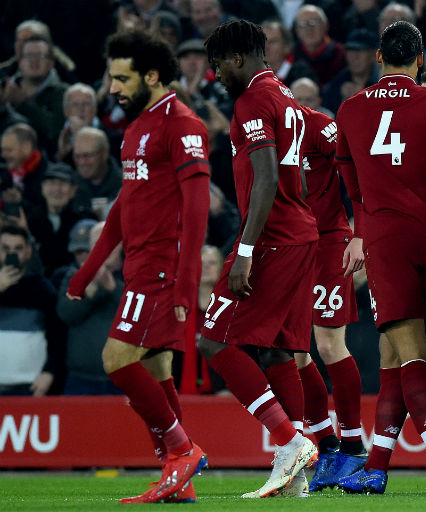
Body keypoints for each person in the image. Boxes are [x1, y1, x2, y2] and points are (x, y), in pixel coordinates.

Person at [333, 21, 426, 495]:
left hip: (388, 239)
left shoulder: (351, 108)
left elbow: (349, 180)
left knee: (409, 350)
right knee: (393, 351)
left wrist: (360, 230)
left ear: (379, 57)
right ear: (419, 60)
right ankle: (376, 467)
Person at [65, 30, 209, 504]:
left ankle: (182, 450)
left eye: (122, 79)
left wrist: (187, 283)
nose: (113, 88)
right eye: (112, 78)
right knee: (156, 366)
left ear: (151, 76)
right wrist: (87, 272)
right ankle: (177, 478)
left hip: (163, 269)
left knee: (116, 359)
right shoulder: (137, 127)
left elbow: (197, 210)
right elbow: (122, 210)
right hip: (140, 265)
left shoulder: (182, 124)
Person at [199, 20, 319, 499]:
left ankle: (290, 442)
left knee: (213, 342)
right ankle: (296, 476)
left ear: (237, 58)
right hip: (300, 234)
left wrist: (245, 251)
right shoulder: (286, 96)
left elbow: (267, 177)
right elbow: (299, 176)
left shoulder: (252, 100)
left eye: (218, 65)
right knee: (277, 352)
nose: (217, 75)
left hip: (271, 239)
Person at [293, 104, 367, 492]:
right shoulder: (263, 131)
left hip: (327, 241)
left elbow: (358, 171)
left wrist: (360, 233)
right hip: (289, 246)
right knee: (293, 354)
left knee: (327, 344)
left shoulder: (319, 126)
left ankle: (354, 446)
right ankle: (328, 446)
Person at [57, 220, 124, 395]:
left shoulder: (135, 274)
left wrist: (113, 289)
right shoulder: (75, 276)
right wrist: (91, 289)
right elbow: (66, 314)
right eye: (97, 243)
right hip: (82, 380)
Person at [0, 224, 64, 397]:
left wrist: (50, 372)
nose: (11, 254)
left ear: (28, 252)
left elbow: (57, 337)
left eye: (18, 248)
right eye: (5, 248)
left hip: (30, 385)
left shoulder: (43, 289)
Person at [2, 35, 69, 156]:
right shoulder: (5, 87)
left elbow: (54, 132)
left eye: (40, 56)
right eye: (29, 56)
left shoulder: (63, 93)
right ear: (20, 62)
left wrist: (23, 103)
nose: (34, 61)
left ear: (51, 63)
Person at [26, 162, 95, 278]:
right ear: (42, 187)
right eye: (51, 183)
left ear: (73, 190)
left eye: (62, 183)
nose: (56, 189)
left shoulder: (84, 220)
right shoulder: (29, 220)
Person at [322, 29, 380, 114]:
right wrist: (344, 101)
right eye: (351, 50)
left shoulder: (385, 83)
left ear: (373, 55)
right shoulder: (336, 85)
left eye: (360, 50)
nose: (354, 57)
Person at [71, 127, 122, 219]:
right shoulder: (69, 187)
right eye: (77, 156)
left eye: (87, 156)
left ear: (105, 153)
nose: (82, 162)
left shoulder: (125, 184)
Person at [294, 5, 347, 87]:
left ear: (326, 25)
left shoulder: (341, 54)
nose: (309, 29)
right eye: (303, 24)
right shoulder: (292, 55)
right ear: (297, 31)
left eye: (314, 22)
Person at [1, 122, 49, 207]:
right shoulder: (4, 174)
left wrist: (21, 202)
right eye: (2, 150)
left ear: (26, 148)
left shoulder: (48, 177)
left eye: (9, 150)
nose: (3, 155)